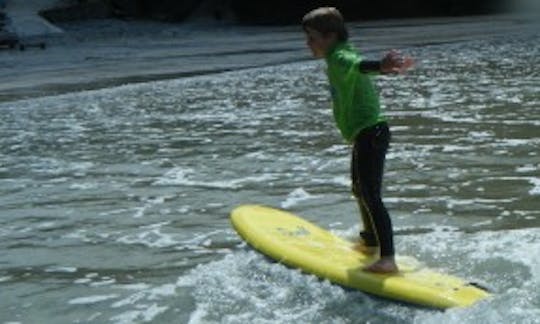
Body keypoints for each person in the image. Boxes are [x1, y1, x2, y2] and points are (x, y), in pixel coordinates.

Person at [301, 7, 414, 273]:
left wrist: (381, 66)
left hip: (370, 132)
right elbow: (359, 65)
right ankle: (371, 240)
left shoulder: (339, 56)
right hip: (366, 132)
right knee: (360, 189)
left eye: (312, 37)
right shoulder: (339, 54)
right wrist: (383, 69)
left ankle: (388, 259)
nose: (308, 44)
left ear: (330, 37)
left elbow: (357, 65)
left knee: (370, 194)